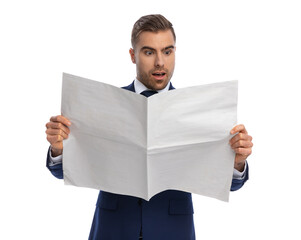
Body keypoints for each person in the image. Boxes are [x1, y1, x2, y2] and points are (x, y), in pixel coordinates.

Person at [45, 14, 253, 240]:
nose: (160, 62)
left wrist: (237, 162)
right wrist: (58, 149)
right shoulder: (103, 105)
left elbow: (229, 184)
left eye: (167, 51)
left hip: (173, 231)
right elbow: (63, 171)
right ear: (133, 55)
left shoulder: (198, 111)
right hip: (113, 229)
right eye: (148, 52)